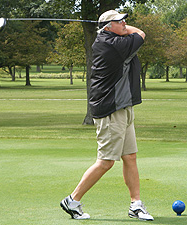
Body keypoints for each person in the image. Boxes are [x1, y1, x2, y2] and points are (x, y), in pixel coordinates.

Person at [60, 10, 154, 221]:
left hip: (123, 106)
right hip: (110, 109)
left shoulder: (112, 38)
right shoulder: (113, 44)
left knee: (130, 157)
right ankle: (72, 200)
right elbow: (141, 33)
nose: (124, 23)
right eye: (119, 21)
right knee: (106, 162)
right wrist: (118, 27)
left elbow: (131, 32)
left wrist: (114, 25)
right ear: (108, 27)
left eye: (124, 19)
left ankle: (136, 205)